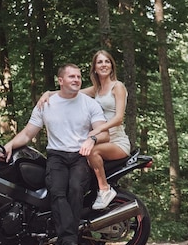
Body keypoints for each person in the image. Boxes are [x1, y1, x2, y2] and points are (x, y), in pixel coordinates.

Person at [0, 64, 108, 245]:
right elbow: (29, 133)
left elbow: (103, 132)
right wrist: (9, 145)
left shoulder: (89, 104)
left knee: (75, 189)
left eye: (79, 77)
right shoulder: (46, 103)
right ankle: (69, 242)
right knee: (56, 192)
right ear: (60, 81)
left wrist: (93, 139)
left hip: (80, 155)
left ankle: (66, 243)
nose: (76, 80)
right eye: (71, 76)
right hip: (56, 156)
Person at [38, 50, 131, 210]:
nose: (104, 65)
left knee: (92, 151)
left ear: (112, 65)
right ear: (94, 67)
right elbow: (70, 92)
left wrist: (97, 130)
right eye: (100, 62)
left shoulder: (118, 87)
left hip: (116, 141)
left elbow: (119, 118)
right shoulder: (97, 89)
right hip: (102, 139)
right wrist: (48, 93)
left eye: (107, 61)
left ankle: (104, 190)